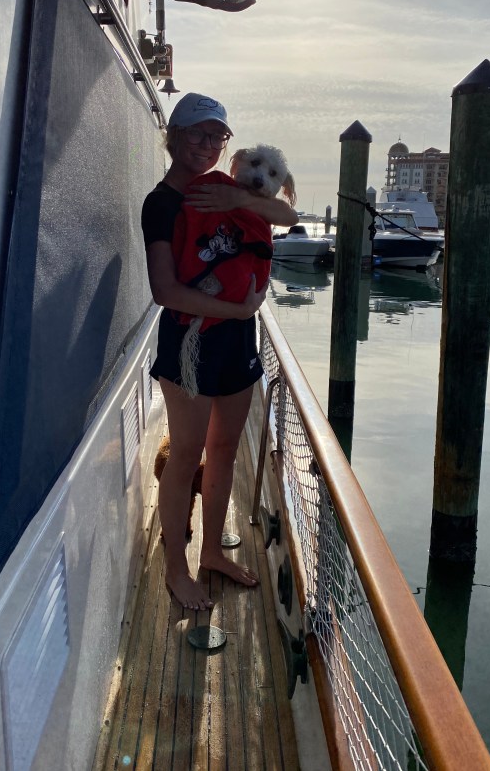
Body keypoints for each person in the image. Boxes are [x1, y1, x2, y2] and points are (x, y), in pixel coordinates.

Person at [141, 92, 298, 610]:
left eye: (217, 136)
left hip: (236, 342)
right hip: (191, 340)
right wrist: (236, 310)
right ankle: (176, 568)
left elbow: (286, 214)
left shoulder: (228, 188)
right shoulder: (162, 203)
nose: (207, 144)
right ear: (175, 136)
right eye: (197, 133)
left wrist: (239, 202)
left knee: (225, 449)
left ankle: (211, 551)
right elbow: (165, 291)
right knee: (186, 454)